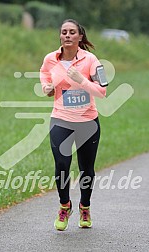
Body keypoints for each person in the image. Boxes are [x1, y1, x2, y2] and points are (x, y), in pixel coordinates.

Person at [40, 19, 106, 231]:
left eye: (72, 32)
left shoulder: (91, 60)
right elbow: (44, 74)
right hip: (61, 119)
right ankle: (64, 205)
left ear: (79, 36)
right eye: (64, 32)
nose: (67, 35)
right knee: (61, 164)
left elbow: (102, 91)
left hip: (87, 122)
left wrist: (82, 80)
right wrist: (46, 87)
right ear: (60, 36)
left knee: (86, 168)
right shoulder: (51, 59)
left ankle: (84, 207)